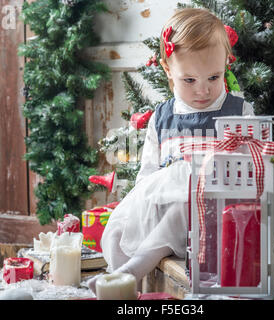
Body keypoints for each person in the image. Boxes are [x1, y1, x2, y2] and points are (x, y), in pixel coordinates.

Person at [87, 7, 254, 294]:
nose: (203, 90)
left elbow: (250, 170)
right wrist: (141, 207)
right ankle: (122, 285)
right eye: (189, 80)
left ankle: (136, 267)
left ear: (226, 64)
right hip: (165, 202)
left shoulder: (238, 112)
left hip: (212, 211)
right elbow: (147, 175)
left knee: (182, 206)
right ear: (168, 70)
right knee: (118, 225)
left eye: (214, 78)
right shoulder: (162, 117)